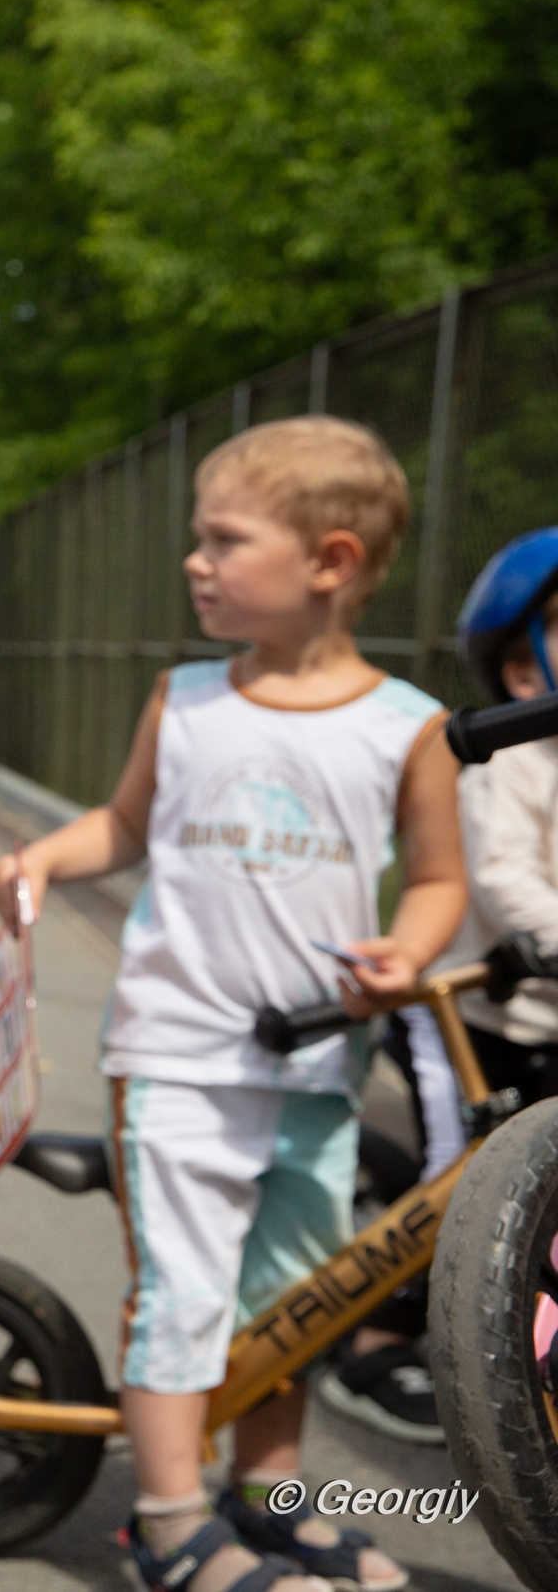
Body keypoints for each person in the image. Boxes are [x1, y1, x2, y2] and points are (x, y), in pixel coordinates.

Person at [0, 416, 465, 1592]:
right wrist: (45, 857)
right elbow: (125, 826)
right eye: (197, 540)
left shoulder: (407, 727)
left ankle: (271, 1498)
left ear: (331, 562)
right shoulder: (187, 698)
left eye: (223, 539)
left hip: (316, 1069)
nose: (195, 562)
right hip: (177, 1052)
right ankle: (165, 1524)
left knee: (299, 1302)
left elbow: (439, 882)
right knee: (185, 1293)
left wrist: (404, 955)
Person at [322, 525, 558, 1444]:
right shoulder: (504, 760)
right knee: (460, 1189)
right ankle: (375, 1343)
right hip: (467, 1016)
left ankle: (514, 1338)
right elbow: (505, 882)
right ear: (519, 669)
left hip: (548, 1018)